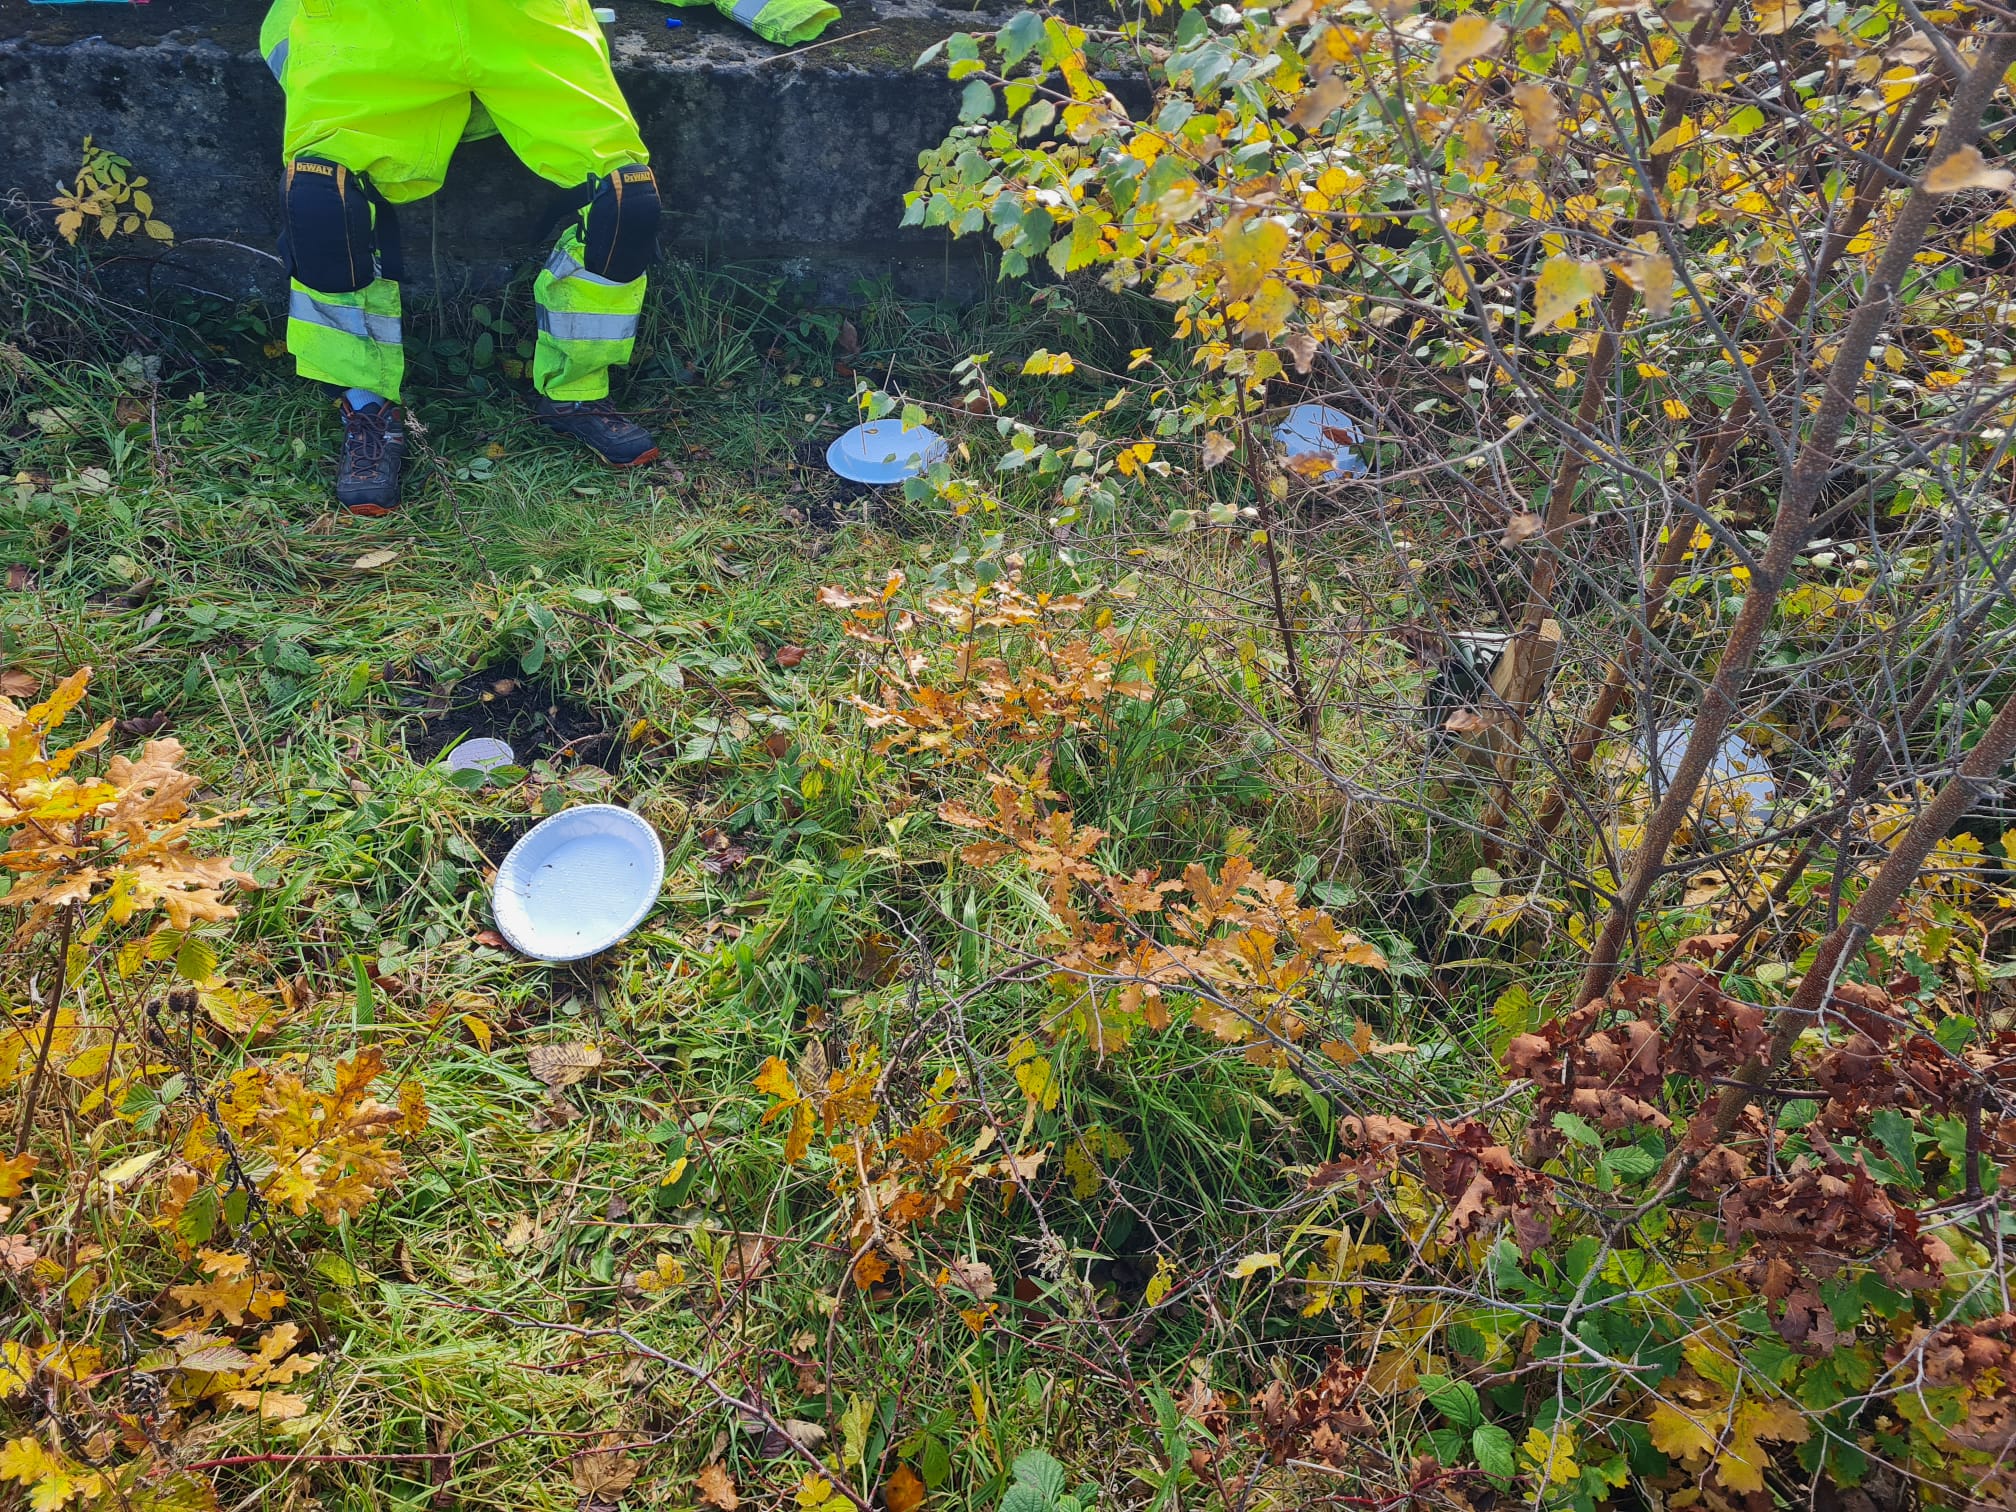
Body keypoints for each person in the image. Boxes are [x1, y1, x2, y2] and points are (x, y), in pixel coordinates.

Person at [259, 0, 664, 515]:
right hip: (373, 25)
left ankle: (576, 390)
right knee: (320, 201)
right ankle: (366, 406)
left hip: (524, 22)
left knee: (627, 199)